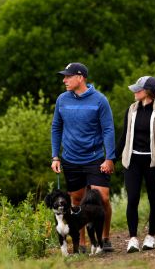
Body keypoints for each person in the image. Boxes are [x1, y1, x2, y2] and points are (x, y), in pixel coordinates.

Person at [51, 62, 116, 252]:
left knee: (102, 198)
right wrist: (55, 157)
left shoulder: (100, 100)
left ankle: (105, 237)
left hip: (95, 158)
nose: (64, 80)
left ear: (80, 77)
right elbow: (56, 127)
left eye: (68, 76)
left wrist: (109, 157)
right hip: (71, 159)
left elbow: (108, 129)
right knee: (77, 201)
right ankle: (82, 244)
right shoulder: (62, 100)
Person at [115, 76, 155, 253]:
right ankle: (132, 239)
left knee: (154, 201)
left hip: (153, 164)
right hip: (133, 162)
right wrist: (111, 159)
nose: (134, 92)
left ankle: (151, 237)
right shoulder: (131, 110)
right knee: (132, 199)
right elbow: (124, 137)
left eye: (138, 89)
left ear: (148, 92)